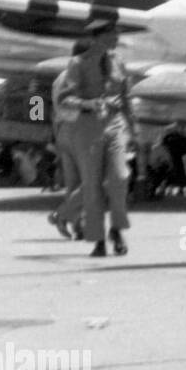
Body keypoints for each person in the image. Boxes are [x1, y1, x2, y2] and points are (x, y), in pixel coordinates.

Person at [51, 22, 136, 257]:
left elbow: (126, 97)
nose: (117, 39)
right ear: (97, 38)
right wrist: (91, 104)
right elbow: (59, 103)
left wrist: (134, 131)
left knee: (120, 177)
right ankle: (96, 238)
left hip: (113, 124)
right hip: (82, 130)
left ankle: (115, 229)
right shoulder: (74, 67)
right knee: (88, 185)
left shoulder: (119, 62)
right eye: (112, 35)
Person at [48, 39, 88, 239]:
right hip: (81, 130)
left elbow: (52, 107)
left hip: (63, 130)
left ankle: (77, 226)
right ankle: (62, 215)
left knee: (74, 183)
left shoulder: (60, 76)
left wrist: (52, 137)